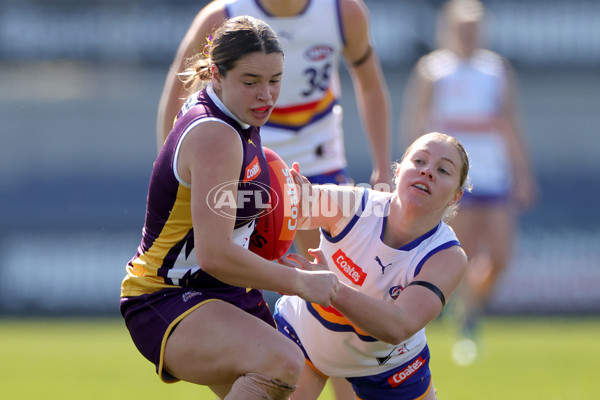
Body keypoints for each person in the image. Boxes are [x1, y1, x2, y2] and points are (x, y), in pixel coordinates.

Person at [120, 16, 340, 399]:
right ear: (217, 75)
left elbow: (230, 213)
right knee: (285, 362)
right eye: (251, 82)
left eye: (275, 80)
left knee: (297, 385)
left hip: (219, 291)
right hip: (165, 296)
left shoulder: (232, 115)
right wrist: (302, 283)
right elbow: (215, 255)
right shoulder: (216, 134)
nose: (266, 96)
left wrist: (285, 201)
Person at [156, 0, 392, 262]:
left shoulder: (345, 12)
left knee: (337, 267)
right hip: (248, 150)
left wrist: (382, 166)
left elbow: (370, 85)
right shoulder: (221, 15)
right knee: (240, 263)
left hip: (319, 151)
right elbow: (178, 90)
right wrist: (174, 177)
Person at [274, 132, 471, 399]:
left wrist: (330, 287)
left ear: (455, 197)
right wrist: (287, 195)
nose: (427, 172)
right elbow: (285, 206)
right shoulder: (354, 204)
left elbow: (398, 326)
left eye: (443, 170)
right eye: (419, 161)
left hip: (389, 366)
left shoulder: (447, 255)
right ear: (398, 172)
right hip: (306, 337)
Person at [399, 0, 537, 361]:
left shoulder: (495, 69)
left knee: (502, 257)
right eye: (462, 27)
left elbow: (510, 122)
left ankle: (467, 308)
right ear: (448, 29)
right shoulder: (433, 70)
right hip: (452, 180)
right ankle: (448, 321)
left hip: (494, 176)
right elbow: (415, 126)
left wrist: (523, 173)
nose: (468, 34)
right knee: (460, 254)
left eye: (474, 27)